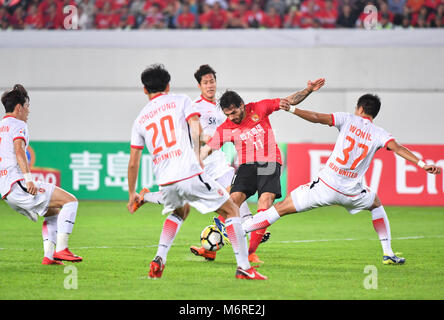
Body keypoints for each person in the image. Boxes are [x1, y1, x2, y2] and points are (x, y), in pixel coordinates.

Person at [240, 93, 442, 264]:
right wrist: (423, 164)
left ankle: (237, 229)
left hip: (325, 187)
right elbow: (398, 148)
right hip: (351, 192)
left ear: (360, 108)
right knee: (376, 203)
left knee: (280, 209)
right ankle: (388, 253)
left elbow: (318, 117)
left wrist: (293, 110)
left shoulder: (348, 119)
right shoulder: (380, 133)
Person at [126, 64, 267, 280]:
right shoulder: (181, 100)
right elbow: (195, 128)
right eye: (206, 82)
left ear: (145, 90)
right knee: (231, 210)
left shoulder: (140, 119)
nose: (210, 85)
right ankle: (244, 267)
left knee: (180, 211)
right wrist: (197, 155)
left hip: (166, 178)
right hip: (190, 169)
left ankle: (159, 258)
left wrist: (130, 194)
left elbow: (133, 162)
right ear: (168, 85)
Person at [200, 78, 326, 263]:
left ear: (242, 105)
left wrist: (308, 90)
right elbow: (208, 148)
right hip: (246, 166)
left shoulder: (259, 108)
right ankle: (212, 248)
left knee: (264, 203)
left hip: (269, 162)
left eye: (234, 112)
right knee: (231, 203)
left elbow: (288, 101)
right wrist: (196, 162)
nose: (232, 117)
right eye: (228, 114)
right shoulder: (226, 127)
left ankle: (250, 252)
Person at [0, 84, 83, 265]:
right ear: (19, 107)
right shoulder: (18, 124)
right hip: (18, 184)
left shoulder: (1, 127)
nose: (28, 111)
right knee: (71, 201)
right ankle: (62, 249)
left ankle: (49, 256)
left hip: (6, 191)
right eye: (27, 106)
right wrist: (28, 180)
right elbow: (20, 151)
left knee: (53, 212)